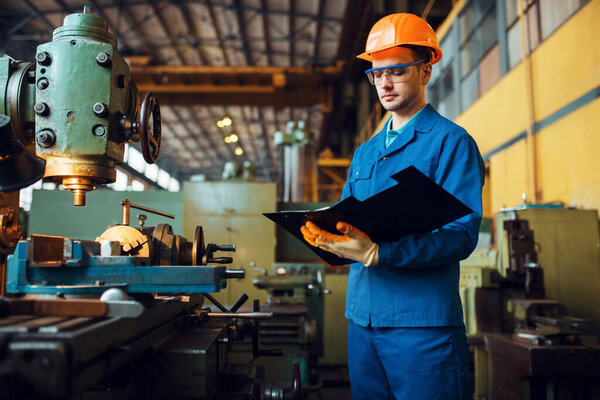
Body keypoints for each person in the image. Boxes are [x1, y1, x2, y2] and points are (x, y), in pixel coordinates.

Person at [300, 13, 484, 400]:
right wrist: (326, 238)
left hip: (421, 327)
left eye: (397, 71)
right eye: (377, 73)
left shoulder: (450, 143)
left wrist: (378, 253)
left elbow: (460, 236)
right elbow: (348, 218)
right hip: (362, 324)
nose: (384, 82)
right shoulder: (365, 153)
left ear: (425, 72)